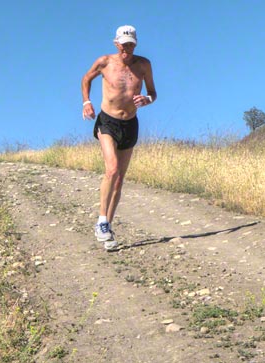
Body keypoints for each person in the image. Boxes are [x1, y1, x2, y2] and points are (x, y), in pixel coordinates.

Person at [81, 25, 157, 250]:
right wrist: (86, 102)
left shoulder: (143, 65)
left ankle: (107, 226)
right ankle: (101, 220)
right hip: (108, 121)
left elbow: (153, 92)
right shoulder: (104, 62)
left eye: (131, 45)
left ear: (135, 44)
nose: (127, 49)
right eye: (123, 45)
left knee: (120, 178)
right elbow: (86, 79)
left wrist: (147, 100)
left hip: (130, 123)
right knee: (111, 169)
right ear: (116, 44)